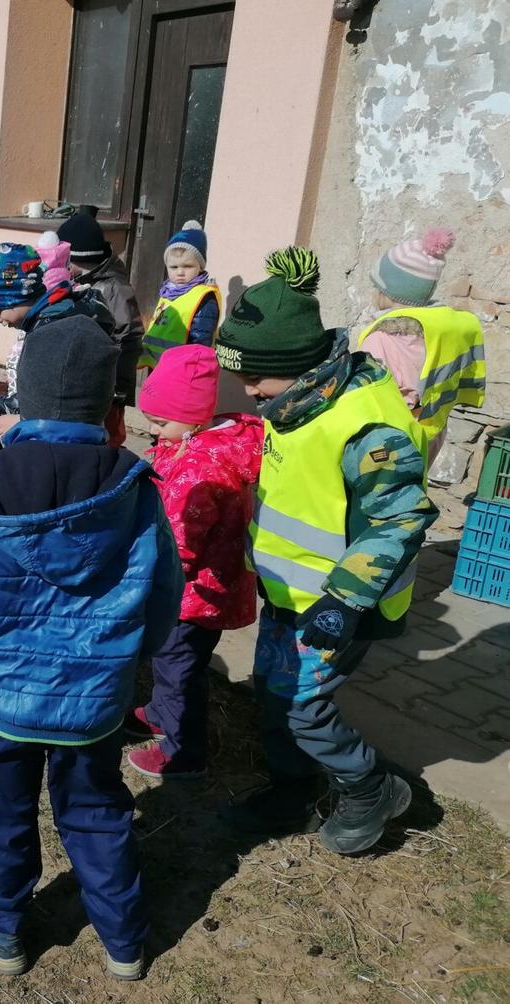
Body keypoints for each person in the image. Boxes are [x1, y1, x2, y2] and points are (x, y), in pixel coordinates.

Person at [0, 319, 184, 981]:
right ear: (108, 407)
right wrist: (133, 662)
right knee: (97, 813)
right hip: (95, 702)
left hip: (1, 702)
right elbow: (162, 595)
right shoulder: (135, 489)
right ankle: (124, 941)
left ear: (21, 397)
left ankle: (3, 926)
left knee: (0, 811)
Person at [214, 246, 438, 855]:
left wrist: (344, 600)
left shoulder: (366, 427)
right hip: (291, 593)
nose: (247, 389)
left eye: (254, 377)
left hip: (340, 603)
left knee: (304, 707)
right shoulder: (296, 401)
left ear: (295, 364)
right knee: (275, 691)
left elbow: (401, 517)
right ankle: (292, 789)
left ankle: (371, 788)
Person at [125, 344, 261, 779]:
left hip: (192, 595)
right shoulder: (194, 443)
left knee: (178, 669)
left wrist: (144, 572)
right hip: (203, 590)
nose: (152, 430)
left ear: (195, 416)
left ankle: (184, 750)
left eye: (161, 422)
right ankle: (160, 713)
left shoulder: (198, 470)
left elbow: (179, 543)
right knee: (174, 662)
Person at [355, 227, 486, 461]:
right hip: (430, 432)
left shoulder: (380, 340)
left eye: (377, 286)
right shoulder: (440, 333)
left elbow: (362, 401)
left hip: (388, 443)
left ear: (387, 291)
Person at [0, 241, 113, 440]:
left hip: (59, 441)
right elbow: (35, 390)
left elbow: (58, 403)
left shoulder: (54, 334)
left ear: (17, 299)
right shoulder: (49, 318)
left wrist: (23, 422)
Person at [57, 206, 143, 445]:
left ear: (78, 259)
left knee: (106, 439)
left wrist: (119, 391)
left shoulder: (114, 290)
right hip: (84, 378)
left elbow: (129, 339)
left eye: (63, 260)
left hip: (108, 385)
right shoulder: (80, 280)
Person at [137, 221, 221, 370]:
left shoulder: (203, 297)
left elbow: (200, 341)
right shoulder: (168, 291)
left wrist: (191, 369)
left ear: (200, 266)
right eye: (174, 267)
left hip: (182, 369)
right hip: (159, 366)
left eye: (187, 266)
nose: (180, 272)